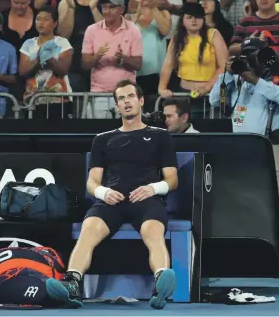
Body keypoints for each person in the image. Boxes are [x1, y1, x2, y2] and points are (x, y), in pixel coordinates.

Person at [45, 79, 179, 310]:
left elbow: (172, 179)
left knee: (152, 230)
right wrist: (103, 192)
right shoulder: (103, 139)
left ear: (140, 100)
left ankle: (160, 283)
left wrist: (152, 188)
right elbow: (92, 182)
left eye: (130, 97)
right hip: (111, 202)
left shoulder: (160, 136)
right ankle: (72, 284)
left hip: (146, 200)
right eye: (121, 98)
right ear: (117, 105)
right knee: (89, 229)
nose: (126, 102)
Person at [209, 37, 279, 239]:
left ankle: (277, 248)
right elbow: (215, 101)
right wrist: (227, 74)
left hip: (268, 146)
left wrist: (256, 81)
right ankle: (246, 243)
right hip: (240, 147)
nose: (247, 60)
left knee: (274, 198)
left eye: (252, 55)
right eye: (244, 55)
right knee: (241, 197)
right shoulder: (235, 79)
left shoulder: (277, 76)